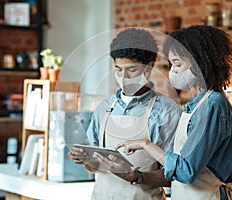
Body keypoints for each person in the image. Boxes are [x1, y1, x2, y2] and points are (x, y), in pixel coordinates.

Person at [110, 25, 232, 200]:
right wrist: (135, 176)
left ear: (200, 62)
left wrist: (146, 145)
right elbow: (174, 168)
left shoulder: (212, 106)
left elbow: (186, 171)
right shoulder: (196, 104)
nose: (173, 71)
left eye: (178, 63)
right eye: (171, 64)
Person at [70, 28, 182, 200]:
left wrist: (136, 176)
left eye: (131, 69)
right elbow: (96, 163)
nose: (123, 76)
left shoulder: (167, 112)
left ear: (149, 67)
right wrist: (85, 159)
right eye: (118, 69)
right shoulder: (104, 107)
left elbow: (176, 174)